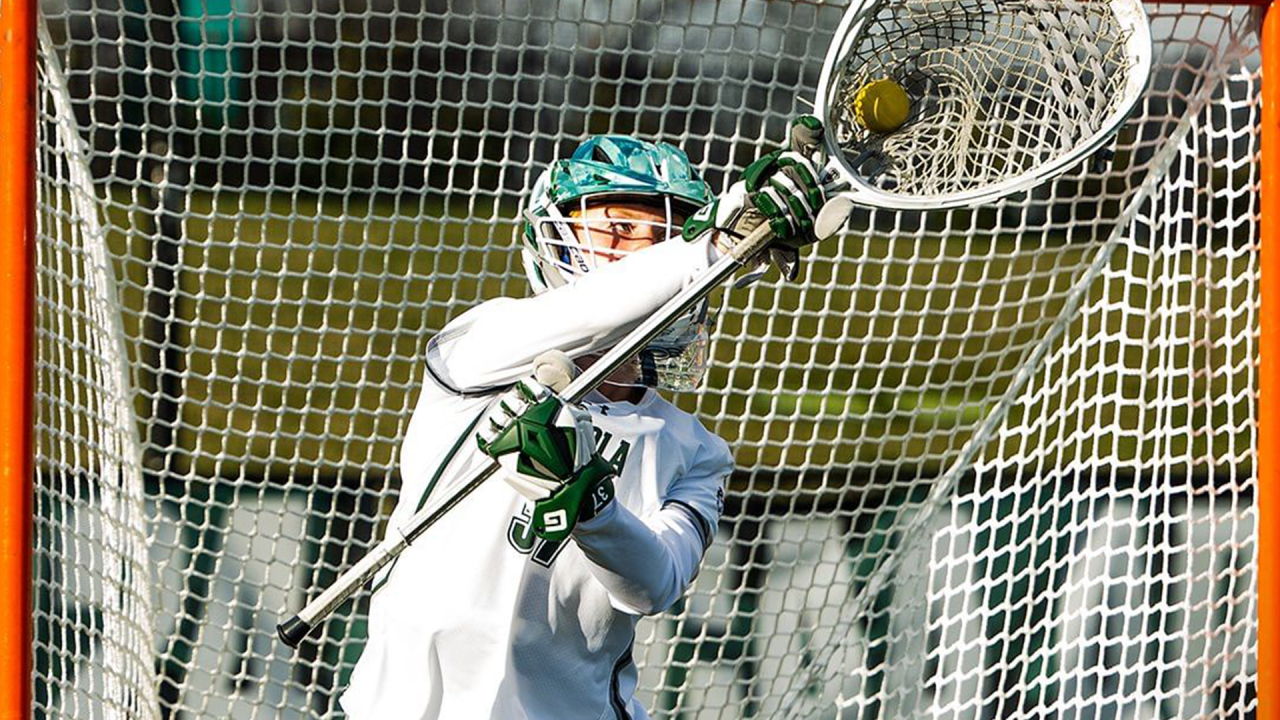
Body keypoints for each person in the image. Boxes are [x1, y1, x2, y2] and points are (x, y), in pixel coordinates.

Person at [340, 117, 847, 720]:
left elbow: (652, 585)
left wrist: (592, 510)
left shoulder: (696, 453)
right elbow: (601, 305)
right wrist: (711, 243)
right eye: (620, 228)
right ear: (554, 237)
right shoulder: (478, 348)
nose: (639, 250)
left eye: (661, 234)